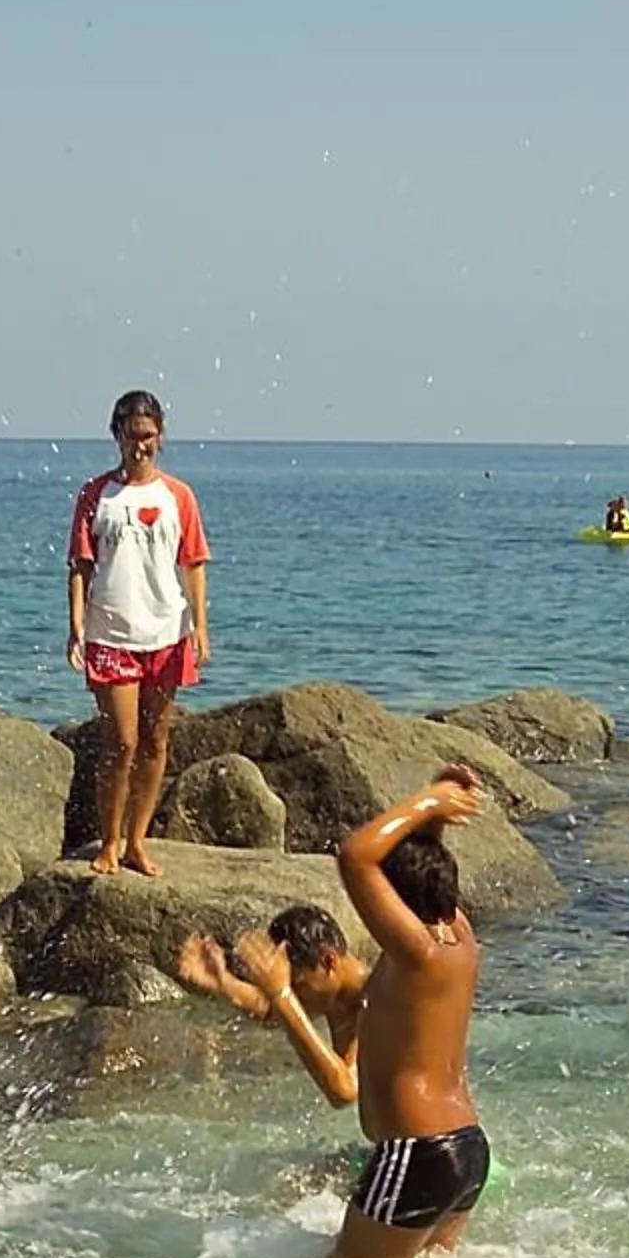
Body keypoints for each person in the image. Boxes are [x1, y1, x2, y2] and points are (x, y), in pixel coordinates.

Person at [329, 763, 490, 1258]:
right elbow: (424, 874)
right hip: (467, 1150)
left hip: (417, 1149)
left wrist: (429, 800)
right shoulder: (460, 941)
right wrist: (434, 825)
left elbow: (355, 856)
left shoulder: (416, 953)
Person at [66, 389, 209, 877]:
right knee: (120, 741)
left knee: (156, 739)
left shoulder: (178, 496)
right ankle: (108, 840)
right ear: (117, 436)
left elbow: (193, 564)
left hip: (166, 630)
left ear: (161, 437)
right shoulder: (96, 495)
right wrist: (76, 627)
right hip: (111, 632)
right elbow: (81, 565)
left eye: (148, 436)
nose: (140, 445)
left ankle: (137, 841)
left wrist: (200, 628)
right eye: (132, 435)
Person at [172, 903, 366, 1109]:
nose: (296, 997)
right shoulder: (338, 997)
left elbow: (345, 1092)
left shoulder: (375, 996)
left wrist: (282, 994)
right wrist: (223, 983)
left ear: (329, 961)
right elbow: (276, 1014)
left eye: (298, 985)